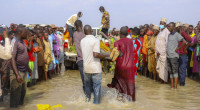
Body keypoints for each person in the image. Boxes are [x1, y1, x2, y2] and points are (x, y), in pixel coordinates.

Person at [81, 25, 109, 104]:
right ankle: (96, 105)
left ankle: (87, 103)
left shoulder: (82, 41)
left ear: (84, 32)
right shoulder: (95, 40)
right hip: (95, 68)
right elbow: (96, 54)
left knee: (87, 87)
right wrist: (104, 56)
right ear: (91, 31)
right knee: (96, 88)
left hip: (86, 68)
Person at [108, 26, 136, 102]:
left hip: (120, 66)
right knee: (129, 84)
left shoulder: (117, 43)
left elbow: (115, 56)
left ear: (119, 33)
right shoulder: (130, 41)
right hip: (130, 66)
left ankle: (120, 99)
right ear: (127, 33)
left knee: (119, 84)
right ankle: (131, 101)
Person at [10, 26, 32, 108]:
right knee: (15, 96)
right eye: (25, 33)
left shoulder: (22, 41)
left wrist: (28, 69)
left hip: (24, 71)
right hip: (17, 71)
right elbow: (12, 58)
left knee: (22, 94)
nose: (27, 34)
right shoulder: (14, 42)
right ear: (20, 33)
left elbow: (24, 55)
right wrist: (17, 74)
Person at [167, 22, 186, 89]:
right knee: (171, 71)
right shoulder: (169, 34)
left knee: (175, 71)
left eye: (170, 26)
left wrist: (178, 48)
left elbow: (184, 42)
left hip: (174, 56)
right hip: (168, 56)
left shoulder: (177, 34)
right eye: (168, 26)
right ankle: (172, 86)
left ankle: (175, 87)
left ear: (174, 27)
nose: (168, 27)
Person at [176, 22, 192, 86]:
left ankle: (182, 83)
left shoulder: (183, 33)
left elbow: (190, 39)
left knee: (182, 68)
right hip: (177, 53)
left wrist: (186, 47)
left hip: (182, 53)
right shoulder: (175, 33)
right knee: (178, 68)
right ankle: (179, 82)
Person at [155, 18, 170, 83]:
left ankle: (165, 81)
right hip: (158, 53)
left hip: (163, 54)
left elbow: (167, 44)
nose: (160, 24)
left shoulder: (167, 32)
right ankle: (162, 80)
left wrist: (161, 53)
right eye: (160, 23)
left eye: (162, 23)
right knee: (160, 69)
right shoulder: (160, 32)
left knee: (164, 69)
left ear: (165, 24)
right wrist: (157, 52)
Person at [73, 20, 85, 92]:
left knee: (84, 81)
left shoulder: (74, 34)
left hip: (80, 60)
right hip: (86, 60)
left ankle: (86, 98)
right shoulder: (84, 35)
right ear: (81, 25)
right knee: (89, 81)